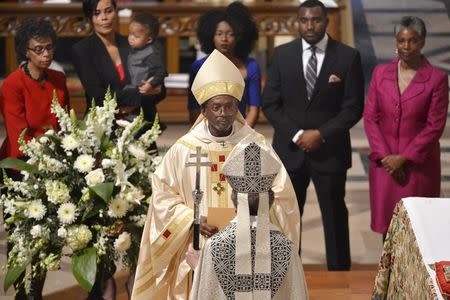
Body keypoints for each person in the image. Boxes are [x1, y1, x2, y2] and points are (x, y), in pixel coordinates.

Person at [131, 49, 300, 300]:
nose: (223, 113)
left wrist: (245, 218)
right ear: (204, 110)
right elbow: (162, 199)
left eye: (230, 106)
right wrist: (194, 218)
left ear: (237, 107)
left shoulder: (255, 146)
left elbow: (281, 196)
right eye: (216, 107)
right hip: (197, 246)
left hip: (249, 251)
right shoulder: (184, 150)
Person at [262, 0, 364, 271]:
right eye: (304, 20)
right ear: (298, 22)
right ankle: (284, 271)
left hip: (330, 151)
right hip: (289, 149)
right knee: (287, 216)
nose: (310, 25)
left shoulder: (347, 56)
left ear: (326, 21)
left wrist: (321, 134)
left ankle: (340, 271)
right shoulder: (282, 55)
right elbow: (270, 103)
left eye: (315, 20)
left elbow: (353, 107)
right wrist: (297, 134)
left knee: (334, 214)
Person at [0, 18, 69, 299]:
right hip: (19, 169)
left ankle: (36, 292)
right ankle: (19, 294)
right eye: (39, 49)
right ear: (25, 52)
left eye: (50, 48)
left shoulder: (59, 80)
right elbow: (18, 138)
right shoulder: (12, 84)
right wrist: (48, 158)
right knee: (19, 235)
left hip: (51, 168)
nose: (46, 55)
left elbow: (66, 126)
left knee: (45, 236)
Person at [188, 139, 308, 300]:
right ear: (271, 201)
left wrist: (199, 267)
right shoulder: (286, 248)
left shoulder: (215, 246)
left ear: (234, 200)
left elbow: (206, 293)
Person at [363, 16, 448, 238]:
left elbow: (435, 126)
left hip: (419, 168)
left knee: (418, 232)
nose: (406, 47)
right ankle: (388, 274)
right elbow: (371, 118)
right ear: (396, 42)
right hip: (385, 166)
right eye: (401, 41)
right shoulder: (380, 74)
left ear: (422, 42)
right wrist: (386, 157)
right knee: (388, 231)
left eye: (413, 41)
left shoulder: (437, 79)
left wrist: (404, 158)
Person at [72, 0, 165, 124]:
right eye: (97, 13)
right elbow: (98, 96)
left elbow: (160, 89)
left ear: (116, 12)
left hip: (140, 123)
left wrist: (131, 100)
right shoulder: (82, 50)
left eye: (109, 11)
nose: (104, 18)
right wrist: (140, 95)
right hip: (103, 126)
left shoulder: (133, 43)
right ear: (90, 18)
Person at [187, 1, 261, 127]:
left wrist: (243, 136)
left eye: (230, 34)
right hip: (206, 133)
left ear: (240, 37)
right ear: (211, 36)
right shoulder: (198, 67)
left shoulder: (250, 66)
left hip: (240, 131)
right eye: (219, 33)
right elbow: (194, 108)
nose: (224, 39)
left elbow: (254, 109)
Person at [123, 12, 167, 114]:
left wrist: (151, 84)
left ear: (148, 40)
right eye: (130, 33)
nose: (131, 38)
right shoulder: (133, 47)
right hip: (132, 88)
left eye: (136, 36)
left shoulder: (152, 53)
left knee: (146, 114)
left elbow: (161, 71)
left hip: (144, 91)